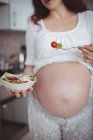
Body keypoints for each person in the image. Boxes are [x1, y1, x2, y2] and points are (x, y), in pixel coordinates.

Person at [7, 0, 93, 139]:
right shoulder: (35, 23)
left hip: (83, 113)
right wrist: (22, 83)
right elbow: (30, 65)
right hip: (42, 112)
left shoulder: (89, 19)